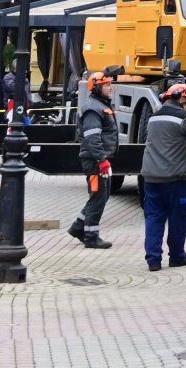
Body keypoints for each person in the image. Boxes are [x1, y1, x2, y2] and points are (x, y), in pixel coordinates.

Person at [140, 82, 186, 272]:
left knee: (153, 218)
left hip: (151, 178)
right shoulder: (184, 118)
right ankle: (177, 256)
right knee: (178, 218)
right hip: (176, 178)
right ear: (182, 97)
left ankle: (153, 260)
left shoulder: (154, 117)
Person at [68, 71, 119, 249]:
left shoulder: (99, 105)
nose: (110, 88)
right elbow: (92, 138)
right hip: (95, 160)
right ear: (97, 87)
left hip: (98, 159)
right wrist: (102, 160)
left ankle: (78, 227)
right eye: (106, 85)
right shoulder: (93, 109)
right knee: (98, 197)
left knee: (100, 196)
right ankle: (90, 236)